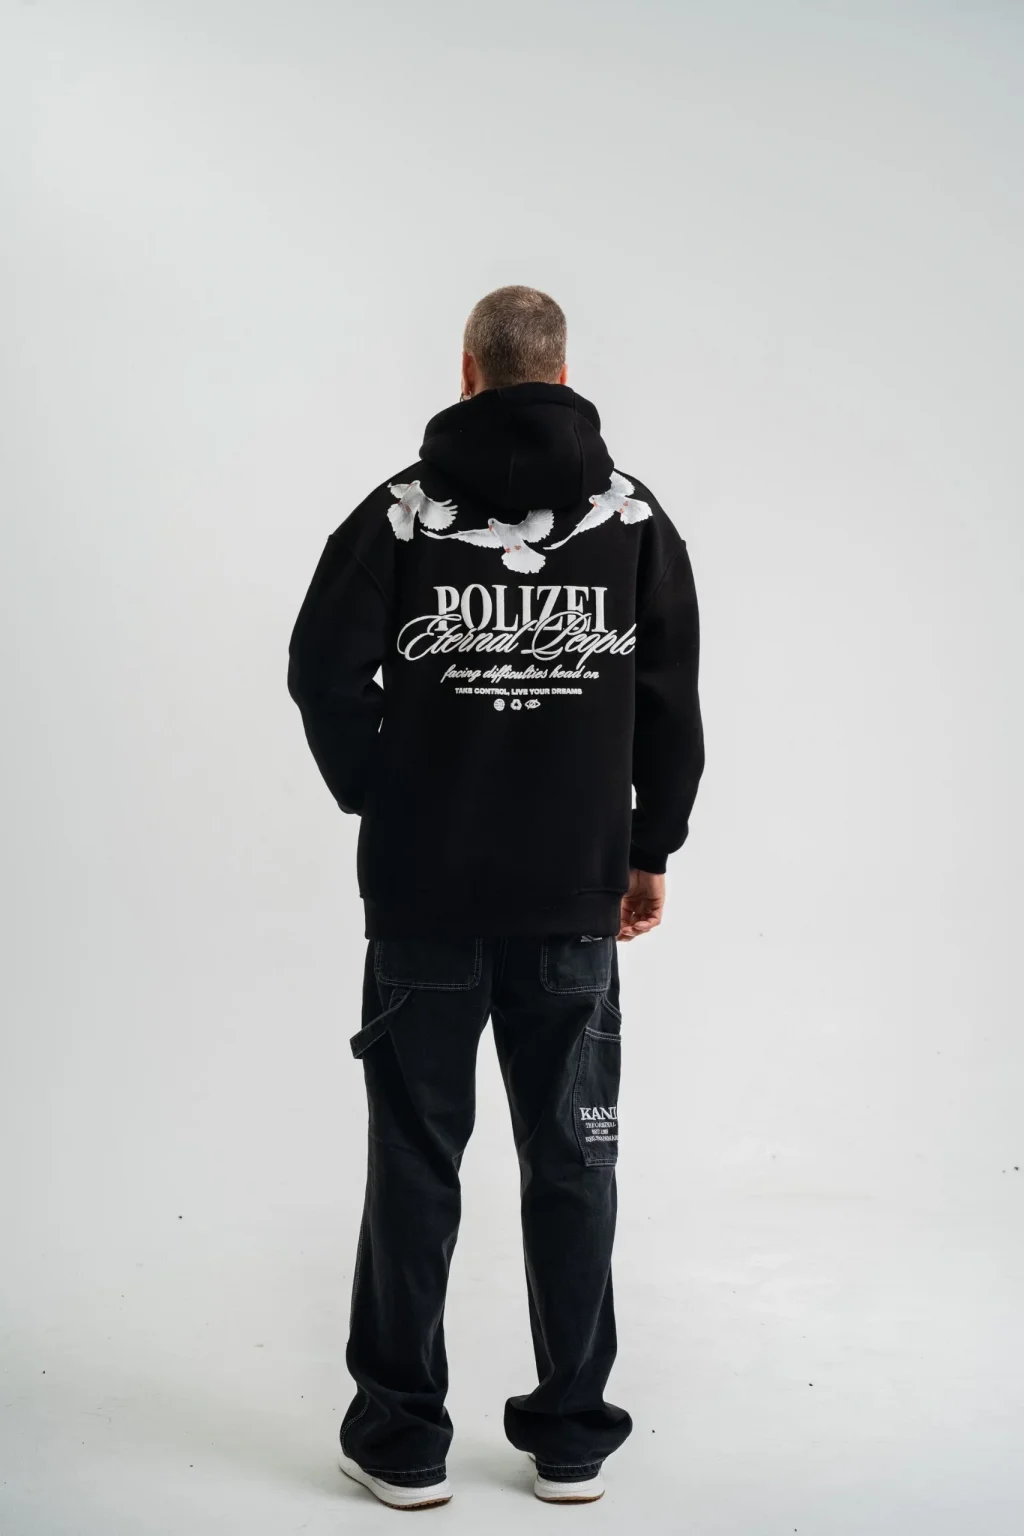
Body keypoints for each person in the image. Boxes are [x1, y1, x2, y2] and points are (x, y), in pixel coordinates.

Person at [287, 285, 705, 1510]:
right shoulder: (633, 518)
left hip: (424, 895)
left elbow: (318, 670)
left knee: (415, 1162)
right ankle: (570, 1435)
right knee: (573, 1162)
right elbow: (671, 699)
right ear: (563, 375)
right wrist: (648, 849)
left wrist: (385, 792)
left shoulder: (398, 513)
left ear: (466, 372)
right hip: (572, 898)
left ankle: (400, 1439)